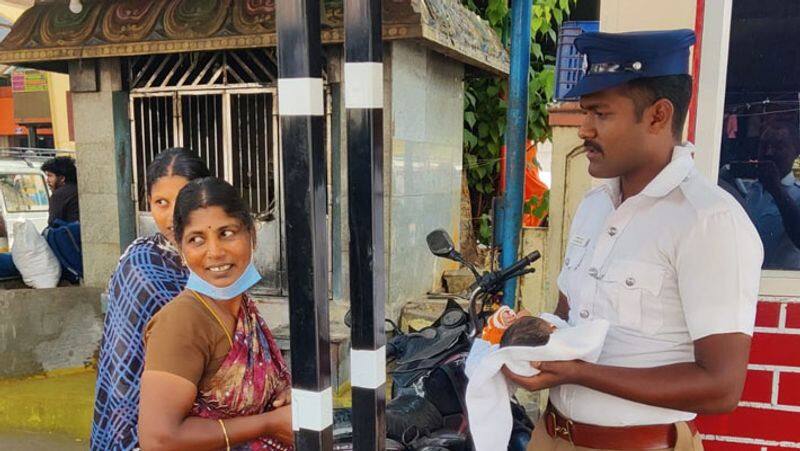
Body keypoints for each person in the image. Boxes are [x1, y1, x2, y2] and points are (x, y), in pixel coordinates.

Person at [502, 30, 763, 450]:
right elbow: (569, 318)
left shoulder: (709, 222)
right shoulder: (595, 205)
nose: (584, 129)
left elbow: (720, 387)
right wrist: (522, 340)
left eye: (600, 115)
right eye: (585, 113)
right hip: (551, 437)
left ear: (659, 116)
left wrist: (578, 372)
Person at [138, 177, 292, 450]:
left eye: (227, 233)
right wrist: (269, 423)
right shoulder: (182, 322)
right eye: (197, 239)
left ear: (251, 235)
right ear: (182, 249)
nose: (215, 252)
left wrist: (280, 396)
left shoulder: (243, 308)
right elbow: (158, 439)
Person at [90, 148, 211, 451]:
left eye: (183, 199)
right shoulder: (142, 265)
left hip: (214, 417)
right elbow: (123, 363)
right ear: (148, 204)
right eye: (161, 203)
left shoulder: (219, 259)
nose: (171, 216)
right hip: (145, 421)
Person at [738, 121, 800, 269]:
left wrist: (777, 190)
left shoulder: (797, 195)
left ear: (796, 151)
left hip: (780, 285)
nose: (769, 152)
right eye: (764, 145)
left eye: (779, 146)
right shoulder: (745, 188)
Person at [41, 156, 80, 226]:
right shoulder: (79, 190)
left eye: (50, 176)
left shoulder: (59, 195)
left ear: (62, 178)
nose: (47, 181)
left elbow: (53, 222)